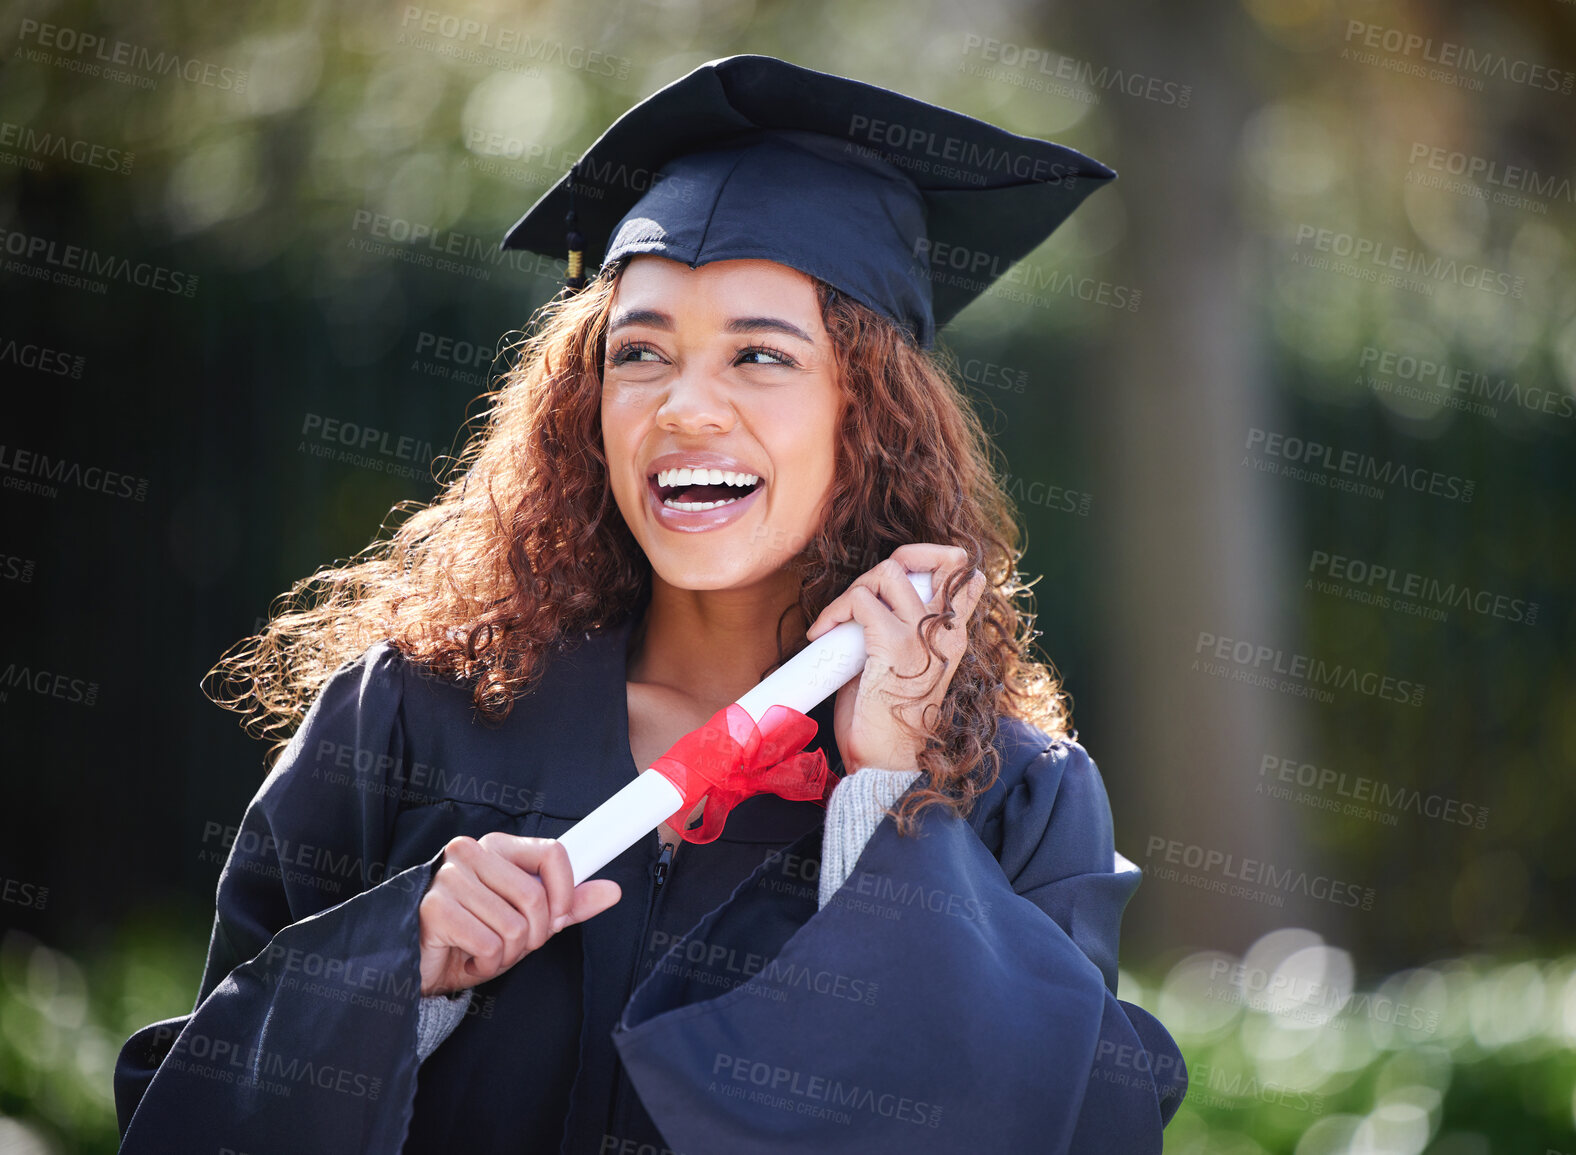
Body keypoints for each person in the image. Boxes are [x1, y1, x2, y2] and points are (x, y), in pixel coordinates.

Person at [112, 53, 1188, 1153]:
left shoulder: (1011, 792)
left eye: (761, 356)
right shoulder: (409, 718)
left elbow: (1064, 1128)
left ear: (867, 416)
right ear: (587, 404)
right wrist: (396, 975)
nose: (685, 407)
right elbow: (186, 1114)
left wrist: (887, 804)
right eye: (640, 354)